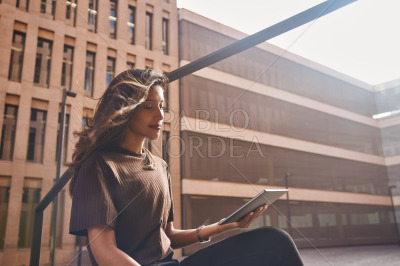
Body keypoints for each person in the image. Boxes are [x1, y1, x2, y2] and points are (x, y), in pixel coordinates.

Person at [69, 68, 303, 266]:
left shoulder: (159, 166)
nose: (160, 115)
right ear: (127, 109)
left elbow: (168, 235)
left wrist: (222, 227)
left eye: (161, 105)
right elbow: (104, 251)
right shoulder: (98, 166)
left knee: (274, 241)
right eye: (149, 106)